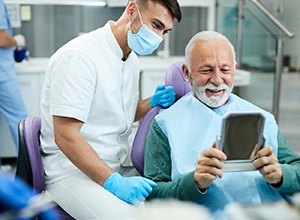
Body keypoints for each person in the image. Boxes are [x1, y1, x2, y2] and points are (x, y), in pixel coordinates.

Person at [40, 0, 181, 219]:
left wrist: (151, 102)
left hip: (113, 166)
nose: (159, 38)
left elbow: (118, 113)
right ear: (132, 10)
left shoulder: (131, 60)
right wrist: (113, 182)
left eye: (165, 31)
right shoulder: (81, 57)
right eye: (156, 25)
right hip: (71, 172)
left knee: (170, 207)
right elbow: (65, 135)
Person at [144, 30, 300, 219]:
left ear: (235, 68)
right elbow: (153, 194)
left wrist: (280, 175)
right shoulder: (164, 124)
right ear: (186, 72)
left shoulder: (263, 118)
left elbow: (297, 169)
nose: (217, 80)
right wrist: (194, 182)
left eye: (225, 70)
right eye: (206, 70)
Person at [0, 0, 27, 152]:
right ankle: (29, 169)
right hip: (2, 73)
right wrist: (16, 41)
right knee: (21, 121)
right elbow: (2, 39)